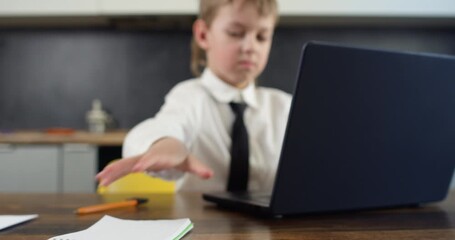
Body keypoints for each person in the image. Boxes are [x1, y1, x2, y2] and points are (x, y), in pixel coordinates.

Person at [96, 0, 292, 192]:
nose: (250, 47)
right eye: (236, 33)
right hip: (201, 220)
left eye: (262, 36)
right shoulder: (189, 97)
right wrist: (165, 142)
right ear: (203, 34)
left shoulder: (285, 107)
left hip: (271, 224)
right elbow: (165, 124)